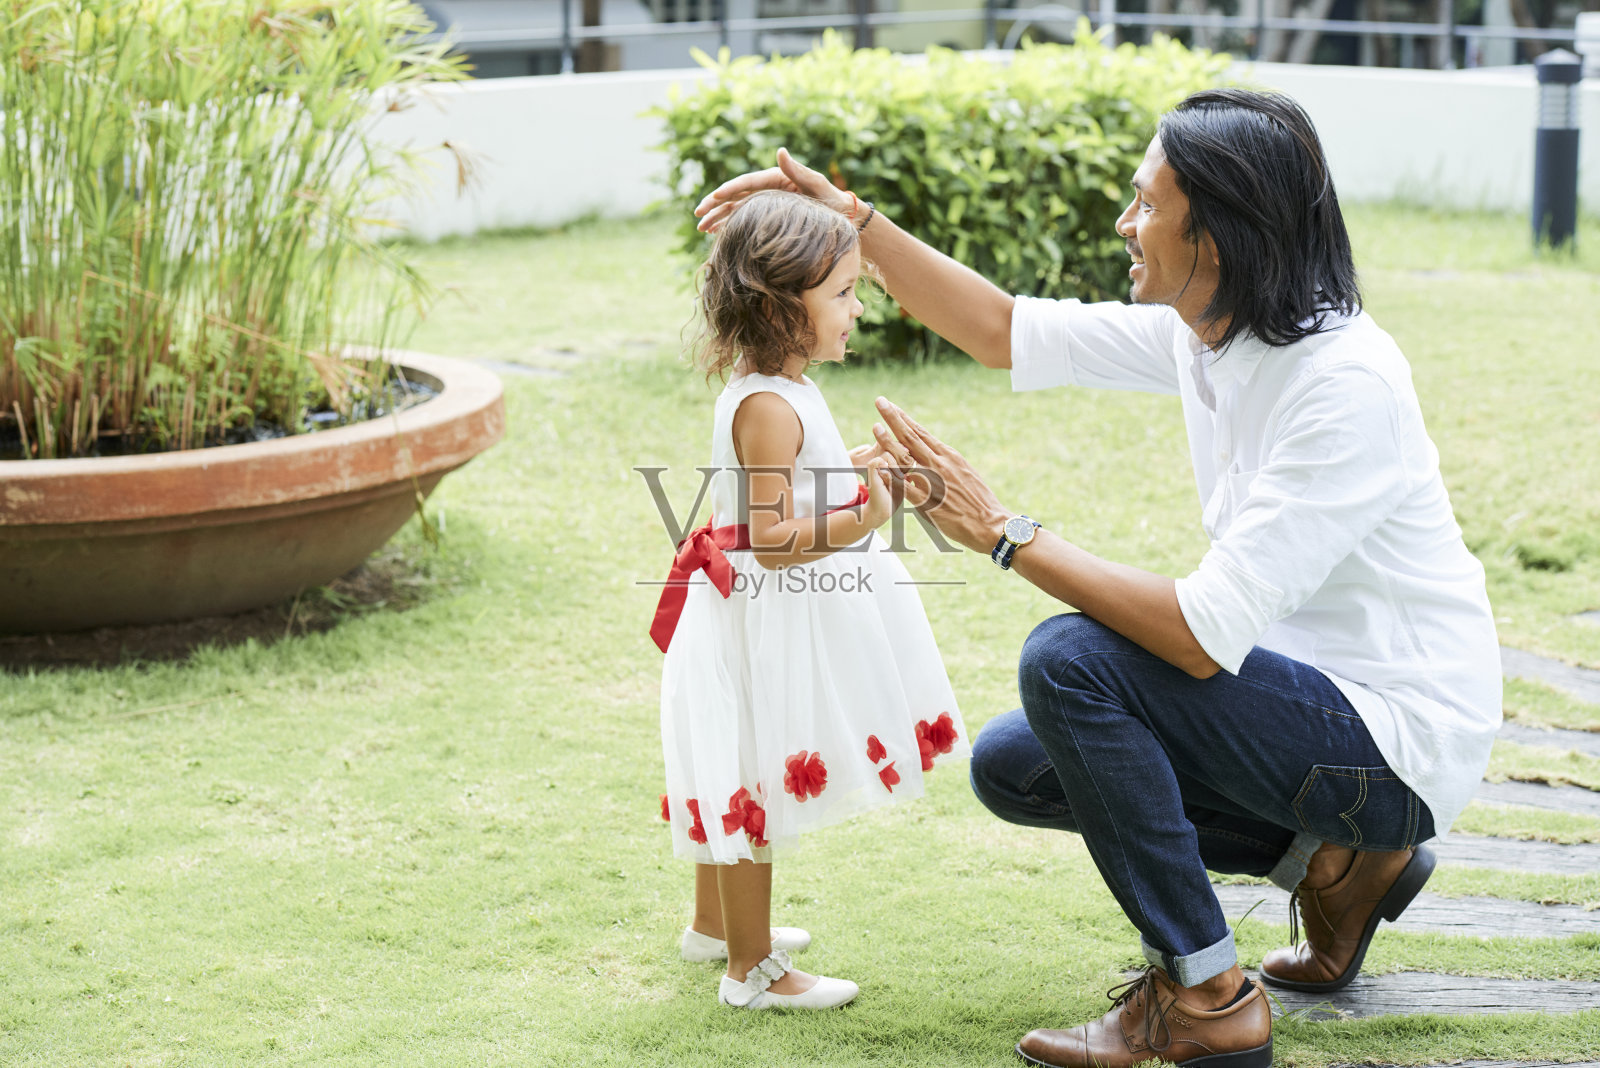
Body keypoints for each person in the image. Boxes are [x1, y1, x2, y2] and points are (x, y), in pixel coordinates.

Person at [694, 89, 1501, 1066]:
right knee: (1015, 763)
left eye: (1145, 203)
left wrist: (1001, 531)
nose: (1125, 222)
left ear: (1219, 234)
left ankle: (1205, 989)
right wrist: (854, 220)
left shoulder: (1343, 386)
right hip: (1306, 708)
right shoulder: (1210, 332)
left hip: (1393, 733)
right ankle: (1333, 860)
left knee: (1071, 660)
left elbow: (1201, 633)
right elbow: (999, 330)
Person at [652, 189, 971, 1011]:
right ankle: (751, 972)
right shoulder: (766, 405)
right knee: (750, 771)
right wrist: (868, 512)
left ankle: (713, 927)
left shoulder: (782, 389)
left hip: (755, 612)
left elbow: (788, 493)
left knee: (734, 760)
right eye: (840, 295)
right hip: (755, 618)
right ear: (777, 306)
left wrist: (843, 473)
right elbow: (769, 539)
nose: (856, 309)